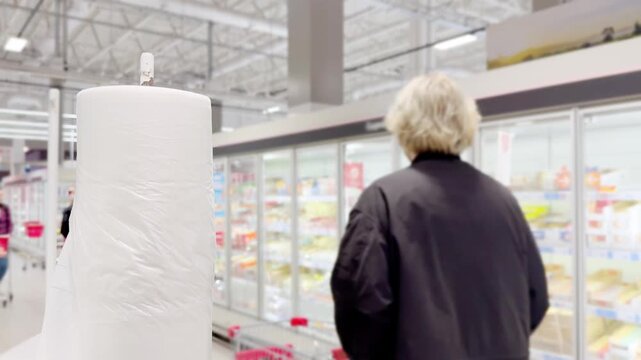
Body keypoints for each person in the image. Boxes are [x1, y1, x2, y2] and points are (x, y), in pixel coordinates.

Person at [331, 73, 549, 360]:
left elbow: (361, 304)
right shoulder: (503, 201)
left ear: (403, 126)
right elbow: (536, 297)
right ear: (466, 125)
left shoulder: (382, 200)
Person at [0, 191, 12, 282]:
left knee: (3, 264)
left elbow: (9, 224)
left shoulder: (5, 209)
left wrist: (8, 235)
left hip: (3, 239)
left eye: (1, 195)